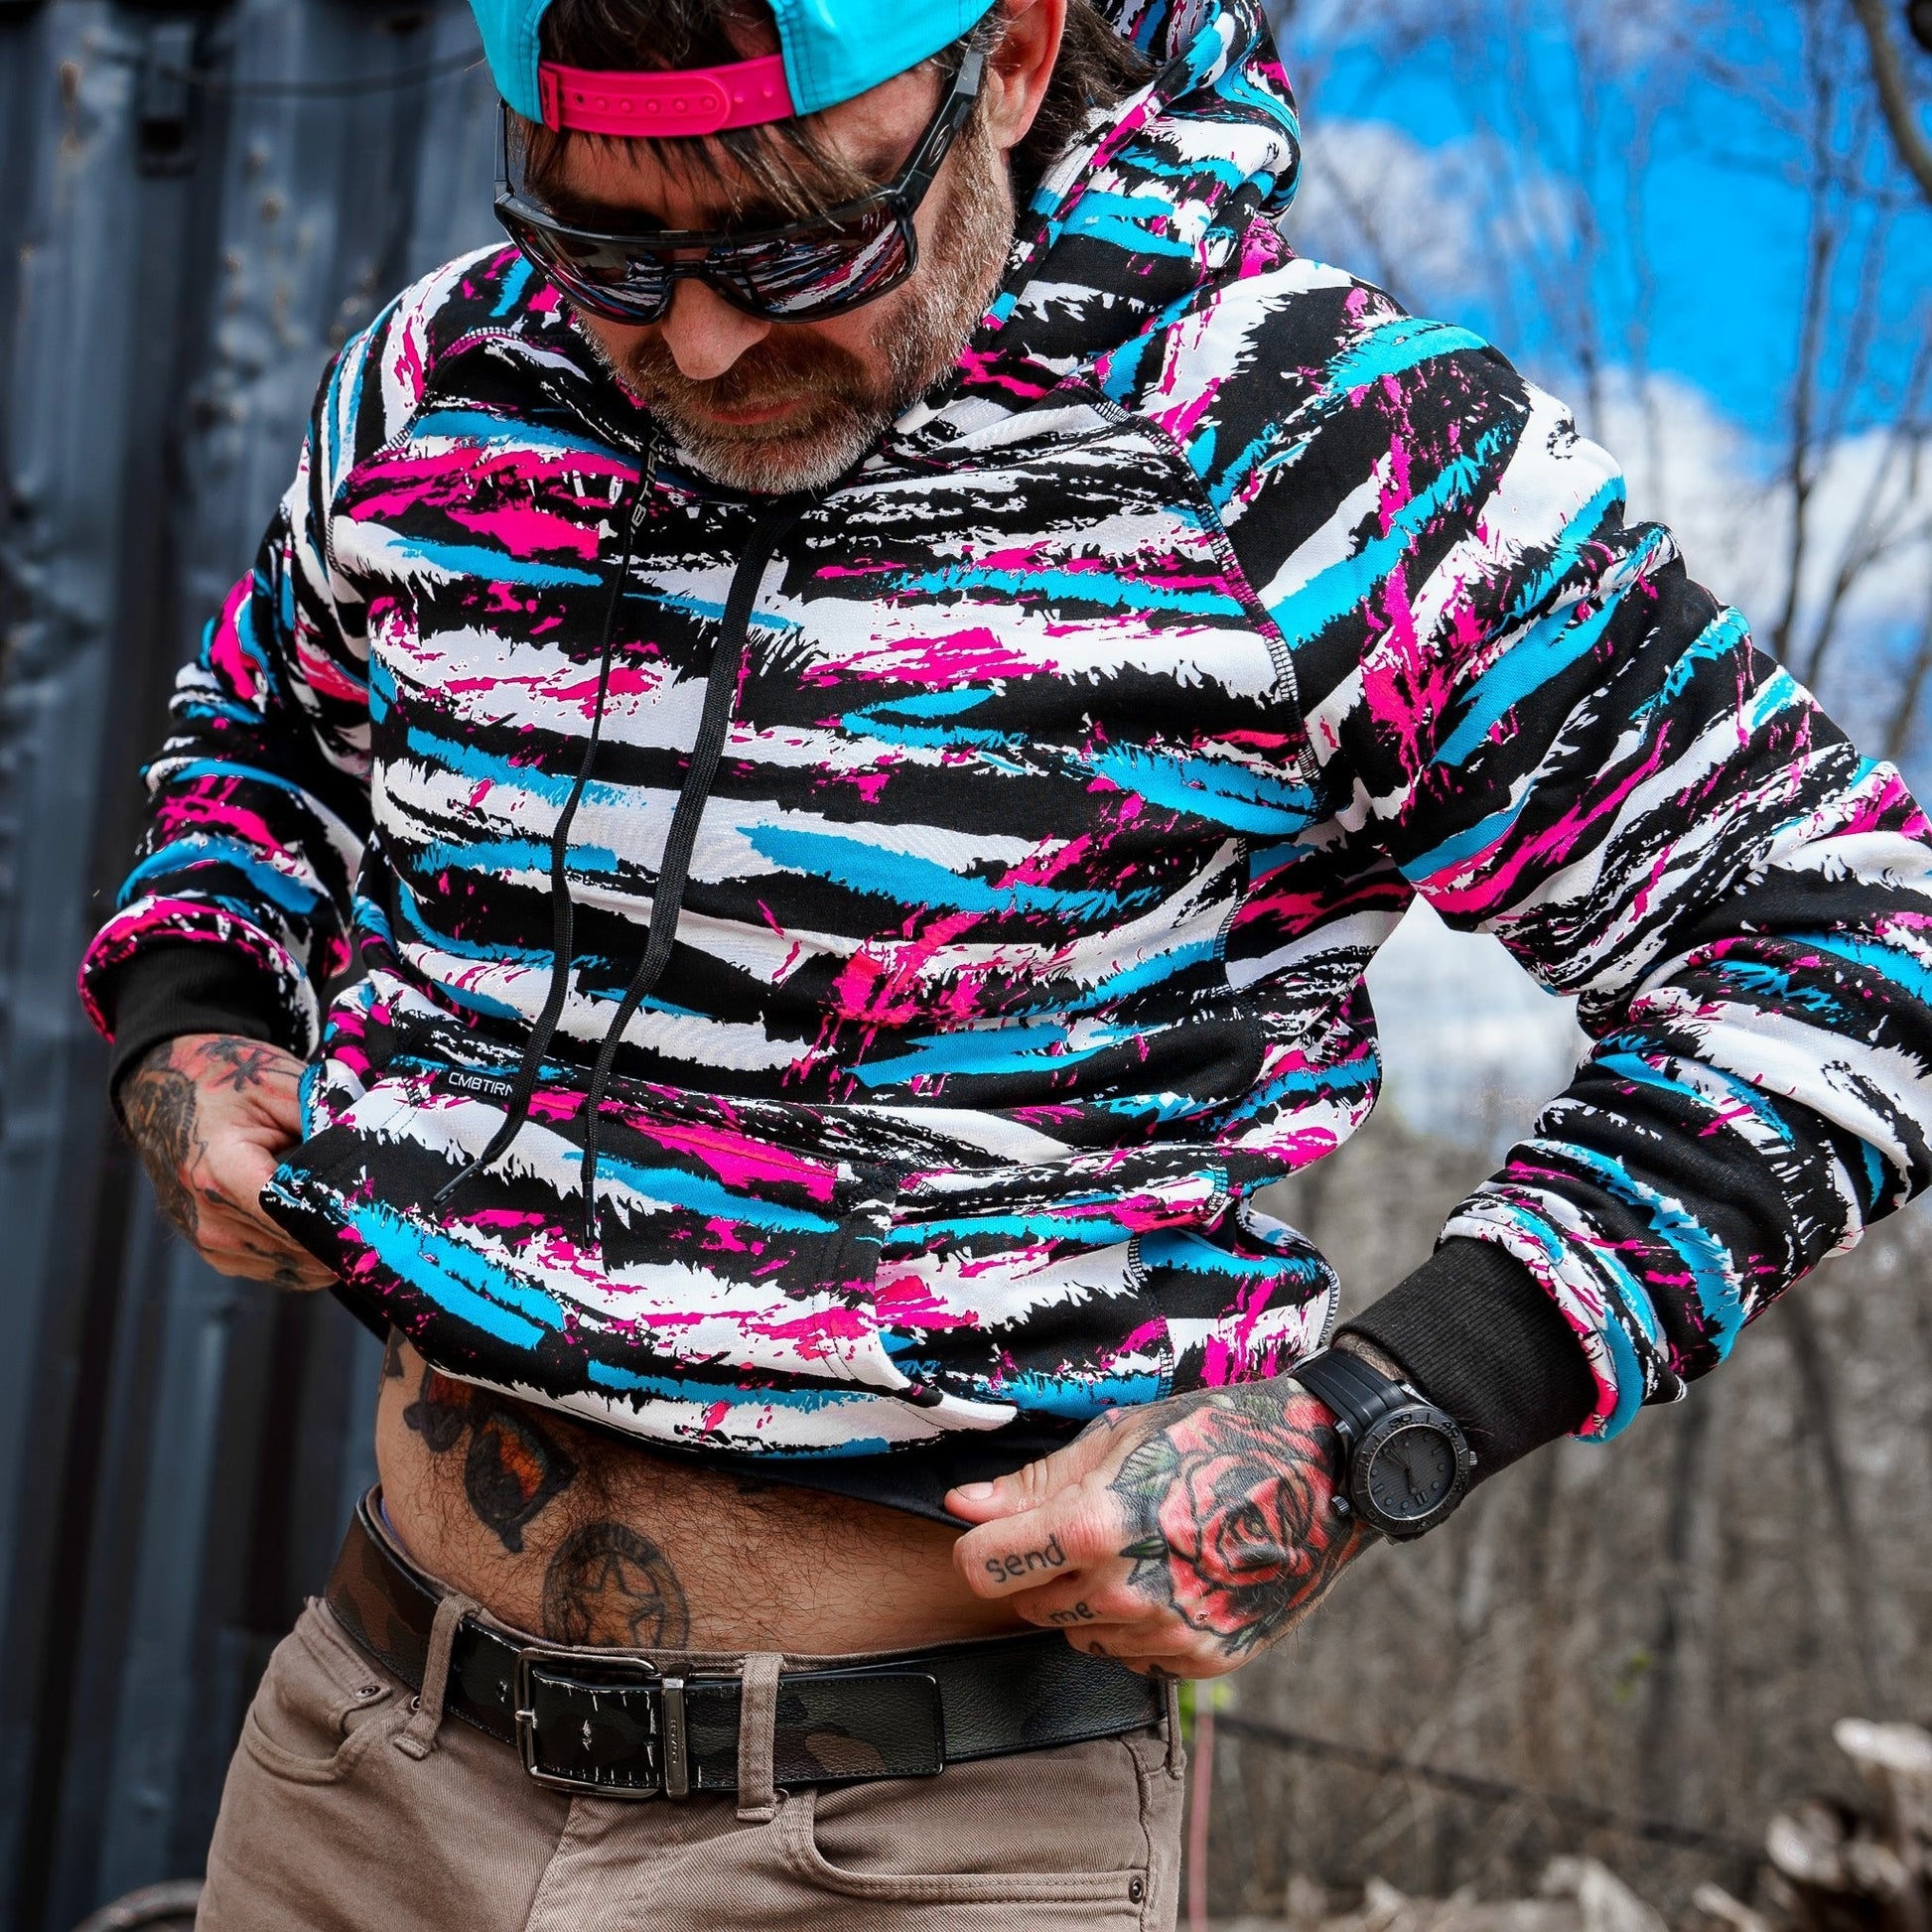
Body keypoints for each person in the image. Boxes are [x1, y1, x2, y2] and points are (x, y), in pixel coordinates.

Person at [80, 0, 1932, 1923]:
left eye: (795, 239)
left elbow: (1848, 941)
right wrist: (194, 1014)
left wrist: (1373, 1419)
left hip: (924, 1843)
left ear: (1019, 57)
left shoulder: (1310, 440)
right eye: (607, 243)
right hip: (362, 1764)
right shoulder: (447, 379)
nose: (696, 339)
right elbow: (262, 730)